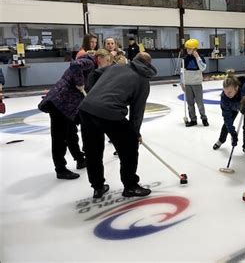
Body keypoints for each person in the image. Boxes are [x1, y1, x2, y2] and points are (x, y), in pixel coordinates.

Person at [78, 52, 157, 199]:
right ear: (149, 65)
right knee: (129, 148)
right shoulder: (143, 81)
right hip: (110, 112)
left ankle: (98, 187)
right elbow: (136, 112)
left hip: (87, 108)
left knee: (92, 151)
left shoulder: (116, 67)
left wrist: (93, 93)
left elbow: (94, 73)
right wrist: (135, 133)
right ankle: (130, 186)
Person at [38, 54, 96, 179]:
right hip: (60, 103)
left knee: (71, 134)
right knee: (59, 137)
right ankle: (60, 169)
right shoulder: (90, 62)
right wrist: (80, 83)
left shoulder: (92, 67)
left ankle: (80, 159)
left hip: (67, 106)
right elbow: (75, 64)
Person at [213, 70, 245, 157]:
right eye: (225, 91)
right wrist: (233, 133)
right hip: (233, 107)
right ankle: (221, 140)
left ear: (236, 88)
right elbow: (227, 117)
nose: (227, 94)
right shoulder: (224, 98)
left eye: (229, 92)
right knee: (227, 124)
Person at [182, 38, 208, 127]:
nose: (187, 50)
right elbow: (182, 71)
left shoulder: (200, 58)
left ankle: (204, 118)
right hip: (188, 83)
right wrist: (182, 83)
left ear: (194, 49)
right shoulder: (185, 59)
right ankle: (193, 119)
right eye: (187, 49)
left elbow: (203, 68)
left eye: (189, 49)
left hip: (197, 83)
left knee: (200, 102)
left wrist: (197, 58)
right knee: (190, 103)